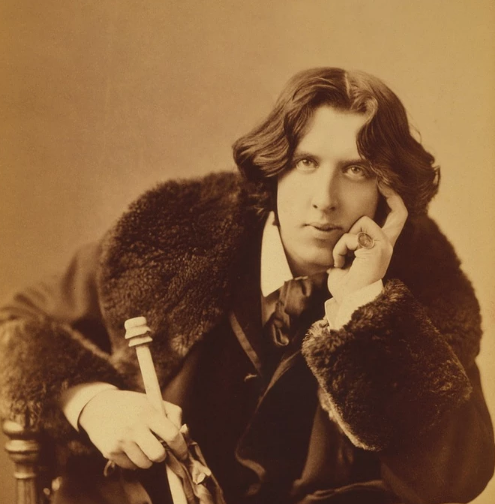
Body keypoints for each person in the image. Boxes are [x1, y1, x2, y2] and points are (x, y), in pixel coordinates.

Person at [0, 67, 493, 504]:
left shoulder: (425, 281)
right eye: (306, 162)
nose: (324, 199)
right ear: (274, 166)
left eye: (356, 170)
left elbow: (455, 479)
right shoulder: (169, 235)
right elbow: (12, 329)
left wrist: (366, 306)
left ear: (389, 191)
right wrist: (92, 403)